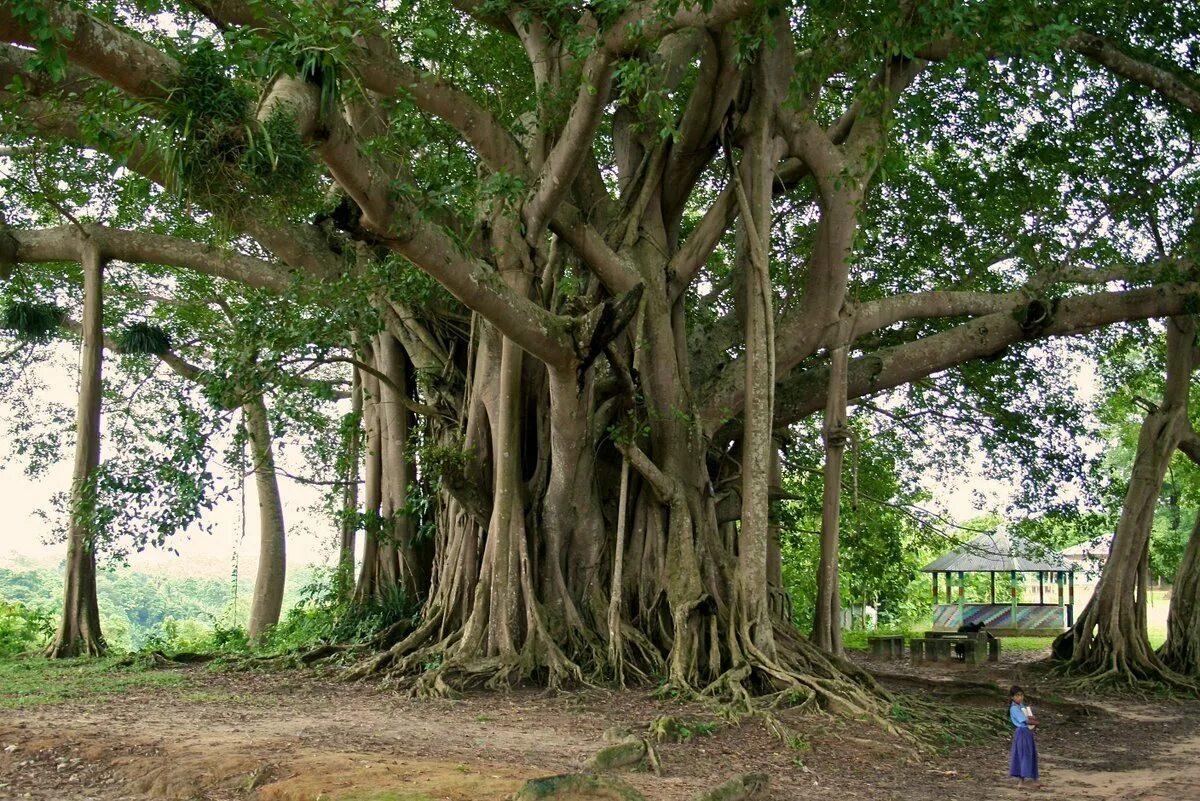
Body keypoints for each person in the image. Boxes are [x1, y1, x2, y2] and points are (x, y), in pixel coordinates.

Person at [1008, 685, 1040, 790]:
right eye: (1017, 696)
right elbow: (1024, 720)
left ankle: (1034, 780)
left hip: (1028, 732)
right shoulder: (1014, 708)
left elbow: (1029, 717)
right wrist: (1035, 722)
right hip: (1022, 732)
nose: (1020, 698)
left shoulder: (1021, 706)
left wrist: (1033, 722)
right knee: (1023, 755)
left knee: (1031, 754)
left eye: (1021, 695)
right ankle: (1021, 782)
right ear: (1012, 697)